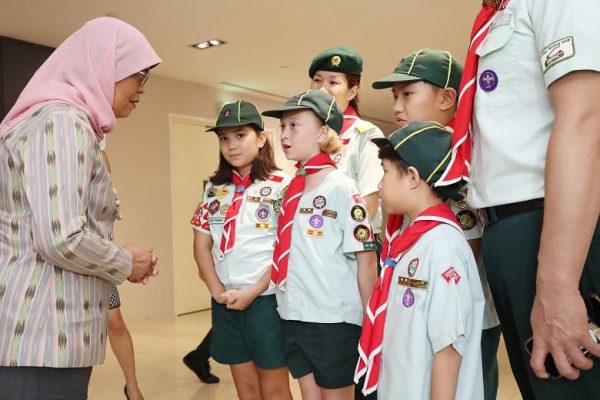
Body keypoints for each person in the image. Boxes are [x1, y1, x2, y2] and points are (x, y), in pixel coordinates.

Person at [441, 0, 600, 398]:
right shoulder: (500, 13)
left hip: (552, 228)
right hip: (509, 233)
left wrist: (559, 286)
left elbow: (586, 122)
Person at [0, 17, 160, 399]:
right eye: (138, 74)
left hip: (49, 339)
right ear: (105, 64)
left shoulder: (71, 123)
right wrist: (125, 261)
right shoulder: (61, 121)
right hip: (41, 339)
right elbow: (61, 237)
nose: (142, 88)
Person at [371, 48, 501, 400]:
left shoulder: (460, 164)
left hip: (455, 316)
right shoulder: (406, 161)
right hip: (412, 312)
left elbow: (464, 257)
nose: (397, 107)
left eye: (408, 94)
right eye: (394, 97)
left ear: (447, 98)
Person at [355, 120, 485, 400]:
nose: (379, 183)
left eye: (386, 173)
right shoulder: (409, 241)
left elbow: (448, 348)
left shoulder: (442, 249)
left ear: (412, 178)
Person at [262, 90, 378, 400]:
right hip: (292, 313)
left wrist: (372, 322)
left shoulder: (342, 187)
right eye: (282, 126)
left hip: (331, 320)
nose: (284, 134)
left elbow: (366, 259)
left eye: (294, 125)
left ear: (323, 133)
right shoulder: (290, 190)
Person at [190, 101, 293, 400]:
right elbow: (201, 246)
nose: (231, 145)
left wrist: (253, 290)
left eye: (240, 135)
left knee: (274, 391)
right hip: (226, 301)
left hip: (266, 300)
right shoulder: (212, 189)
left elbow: (285, 251)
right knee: (246, 390)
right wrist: (217, 291)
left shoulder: (283, 186)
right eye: (224, 138)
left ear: (260, 138)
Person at [308, 46, 384, 238]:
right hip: (314, 244)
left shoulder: (366, 135)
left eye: (333, 82)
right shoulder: (308, 136)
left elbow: (369, 204)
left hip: (352, 246)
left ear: (352, 92)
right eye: (317, 80)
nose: (322, 89)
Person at [100, 142, 145, 400]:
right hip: (71, 265)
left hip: (100, 264)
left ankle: (133, 387)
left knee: (115, 324)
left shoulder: (103, 171)